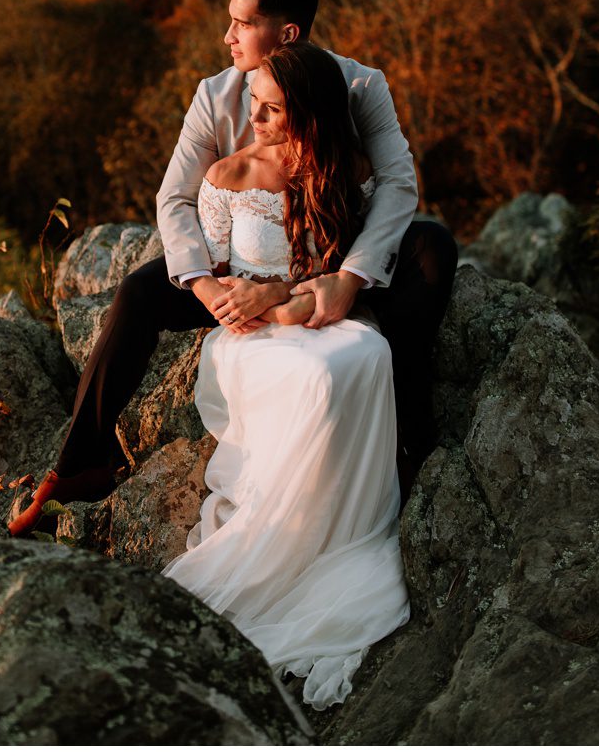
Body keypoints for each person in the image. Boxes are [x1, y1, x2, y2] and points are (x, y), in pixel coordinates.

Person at [8, 0, 455, 535]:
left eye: (242, 24)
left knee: (433, 247)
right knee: (137, 294)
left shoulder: (358, 85)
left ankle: (409, 434)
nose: (228, 37)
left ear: (286, 34)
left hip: (332, 252)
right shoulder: (214, 95)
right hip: (235, 265)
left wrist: (351, 278)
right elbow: (175, 198)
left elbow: (396, 182)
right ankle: (81, 466)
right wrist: (204, 286)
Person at [160, 41, 410, 709]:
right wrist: (264, 302)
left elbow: (335, 270)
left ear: (311, 113)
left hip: (319, 317)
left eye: (273, 110)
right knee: (318, 379)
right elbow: (219, 283)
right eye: (255, 104)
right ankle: (291, 529)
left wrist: (293, 295)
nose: (257, 119)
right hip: (253, 336)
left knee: (368, 355)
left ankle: (346, 526)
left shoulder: (346, 171)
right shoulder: (228, 175)